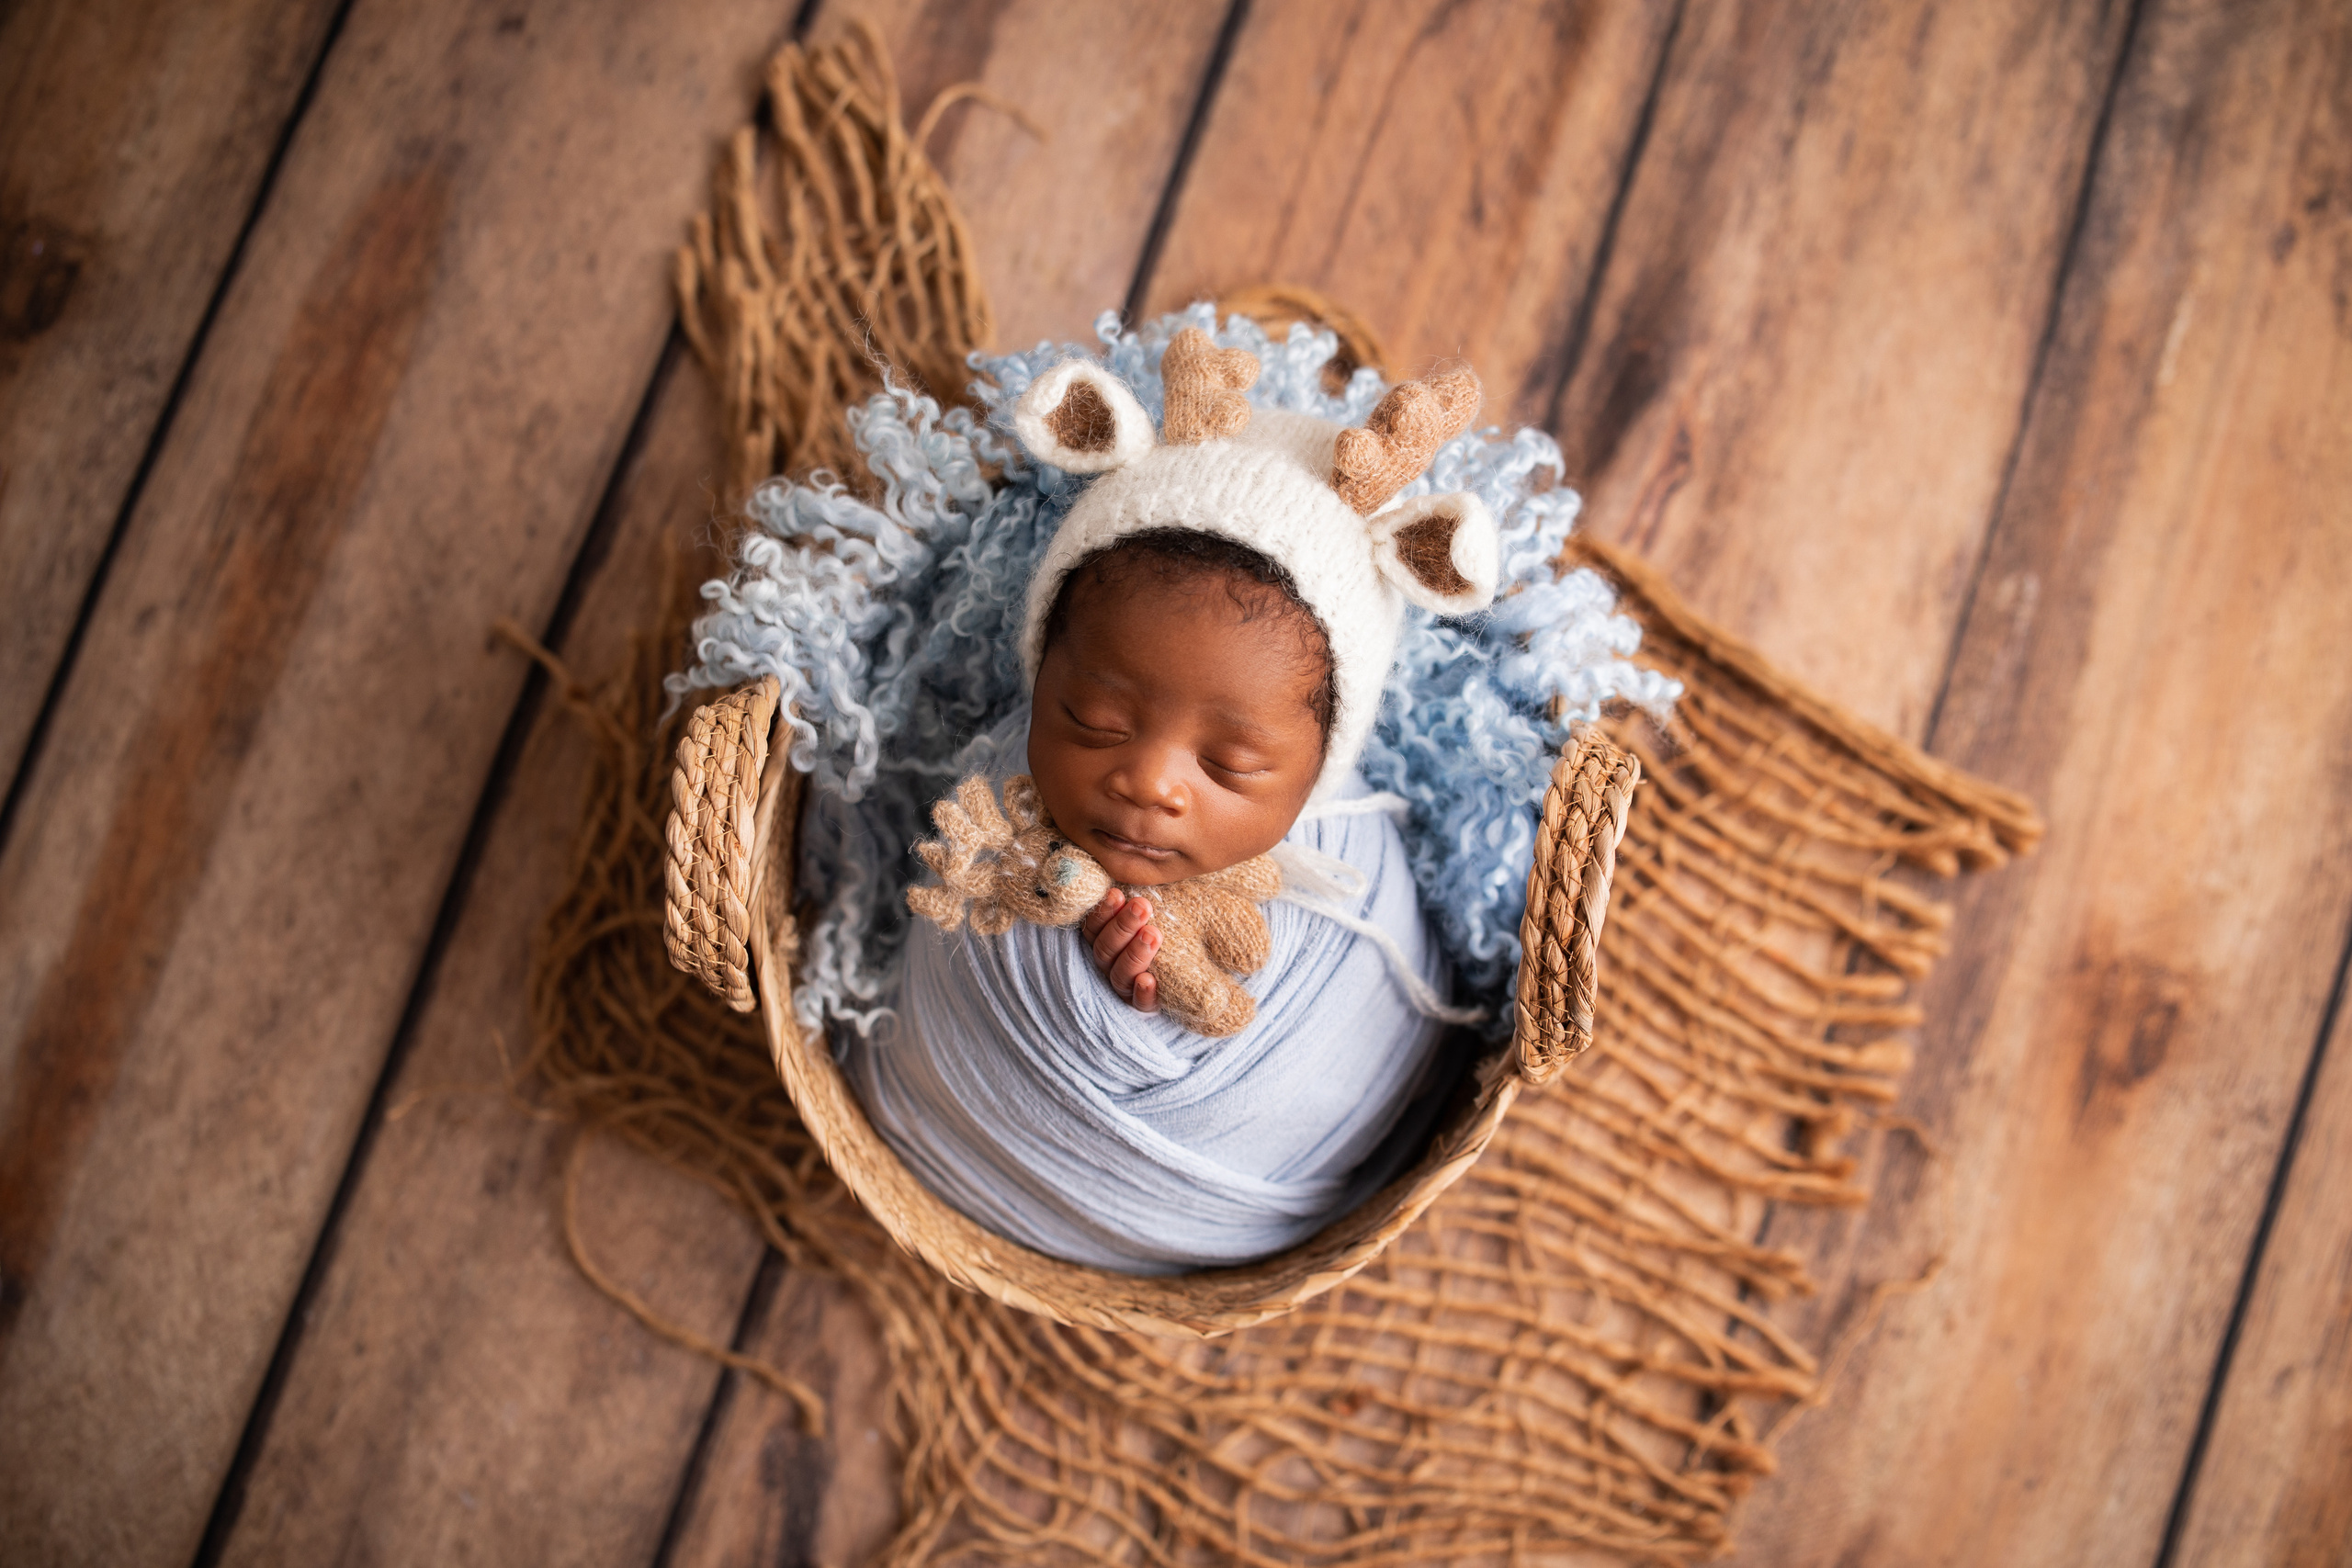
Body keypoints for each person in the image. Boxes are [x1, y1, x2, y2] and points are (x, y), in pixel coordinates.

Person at [841, 332, 1507, 1273]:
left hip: (1225, 1219)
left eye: (1231, 763)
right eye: (1095, 720)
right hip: (948, 1137)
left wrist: (1147, 1008)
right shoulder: (987, 809)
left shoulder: (1361, 881)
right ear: (1041, 679)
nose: (1150, 780)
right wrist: (1074, 972)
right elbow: (963, 904)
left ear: (1321, 764)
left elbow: (1360, 1050)